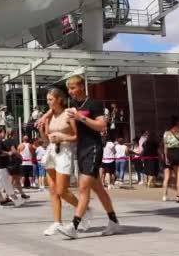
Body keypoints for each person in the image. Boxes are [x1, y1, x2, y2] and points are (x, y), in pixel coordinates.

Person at [55, 75, 121, 239]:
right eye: (69, 89)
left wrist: (81, 118)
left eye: (73, 88)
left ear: (81, 87)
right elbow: (76, 132)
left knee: (83, 187)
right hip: (81, 149)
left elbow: (101, 126)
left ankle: (74, 226)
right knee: (98, 189)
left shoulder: (94, 104)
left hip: (93, 148)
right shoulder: (75, 105)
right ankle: (114, 222)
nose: (70, 92)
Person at [40, 88, 89, 236]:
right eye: (47, 100)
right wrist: (42, 130)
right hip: (51, 152)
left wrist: (62, 137)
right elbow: (45, 139)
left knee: (62, 190)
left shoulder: (69, 113)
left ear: (59, 99)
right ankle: (57, 222)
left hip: (65, 152)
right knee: (53, 191)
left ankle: (83, 210)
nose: (48, 102)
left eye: (50, 99)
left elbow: (76, 137)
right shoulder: (48, 117)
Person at [0, 128, 25, 210]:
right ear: (0, 132)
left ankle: (16, 200)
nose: (4, 135)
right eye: (3, 133)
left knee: (7, 184)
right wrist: (8, 153)